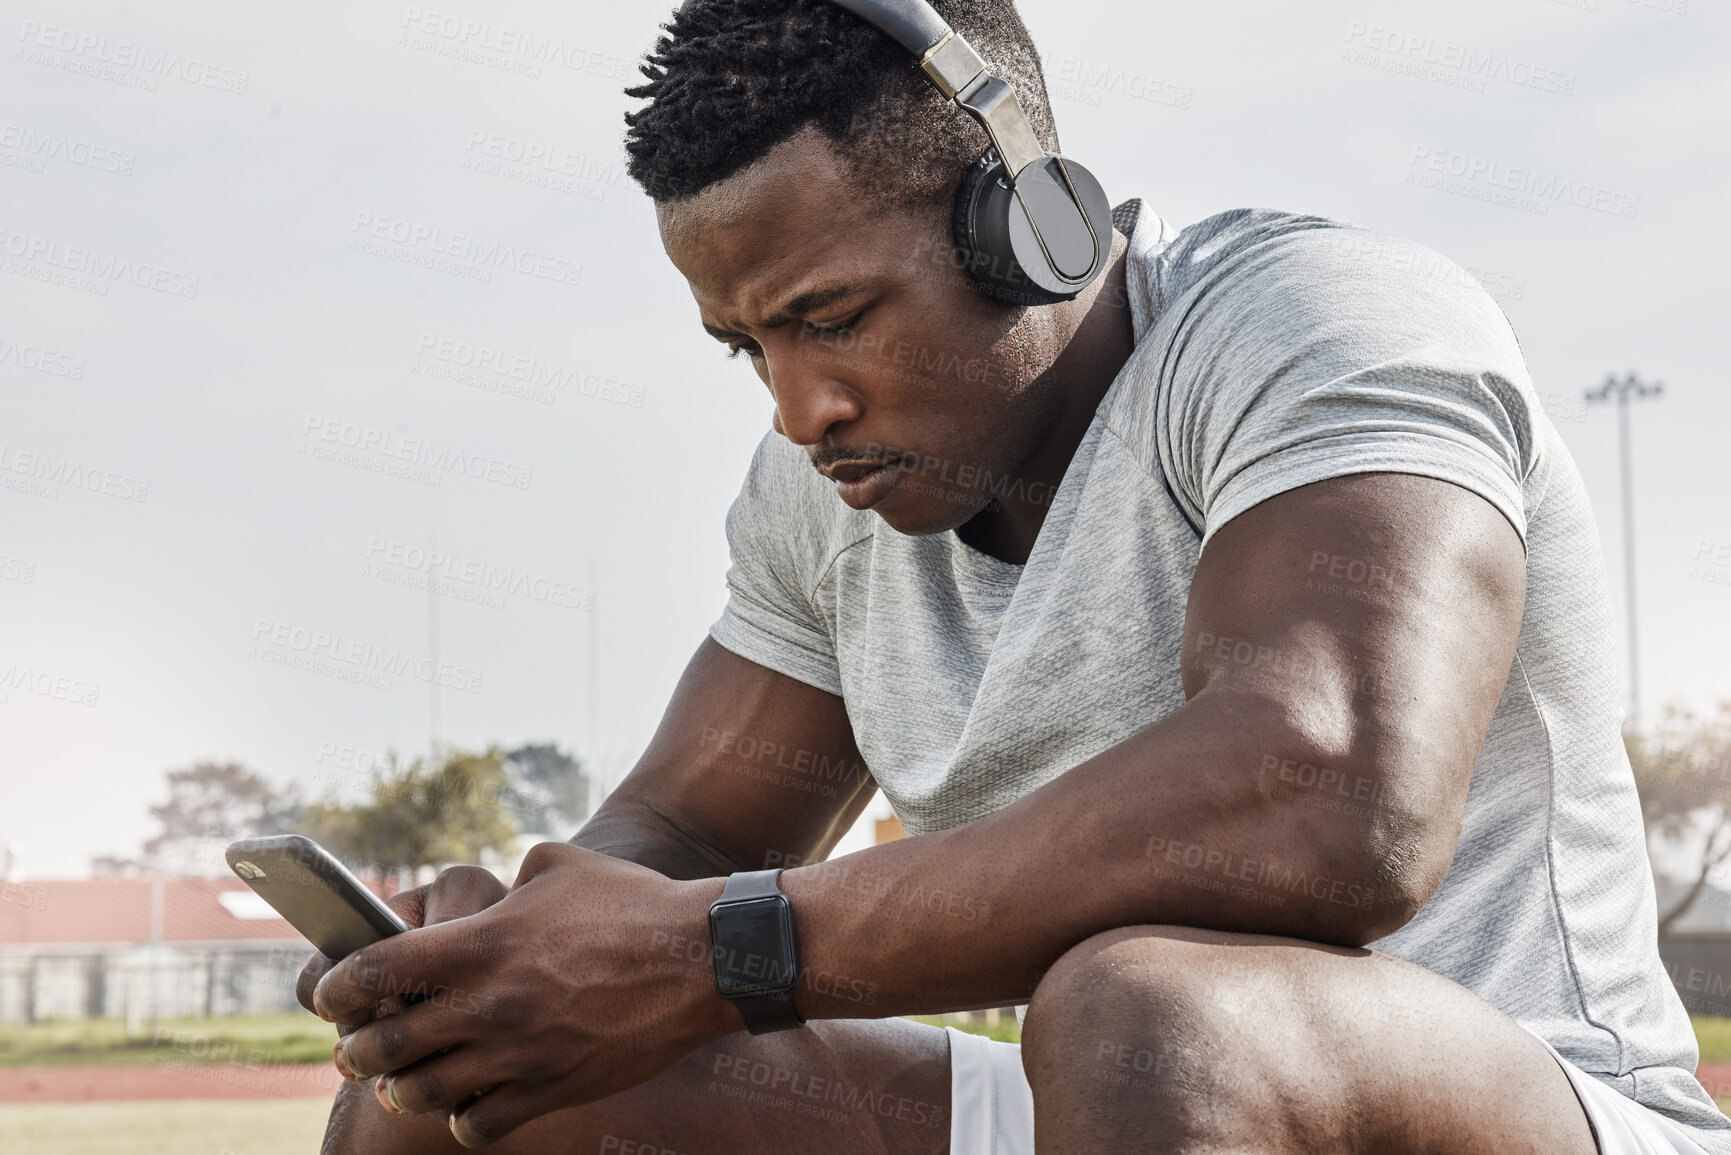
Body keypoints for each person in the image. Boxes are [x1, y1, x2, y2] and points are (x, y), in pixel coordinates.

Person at [298, 1, 1729, 1151]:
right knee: (466, 1095)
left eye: (831, 319)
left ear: (1024, 225)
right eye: (749, 348)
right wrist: (526, 945)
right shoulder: (824, 500)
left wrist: (702, 958)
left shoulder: (1307, 324)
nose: (800, 411)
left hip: (1513, 1101)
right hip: (1118, 1105)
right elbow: (680, 828)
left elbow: (1327, 799)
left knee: (1148, 1013)